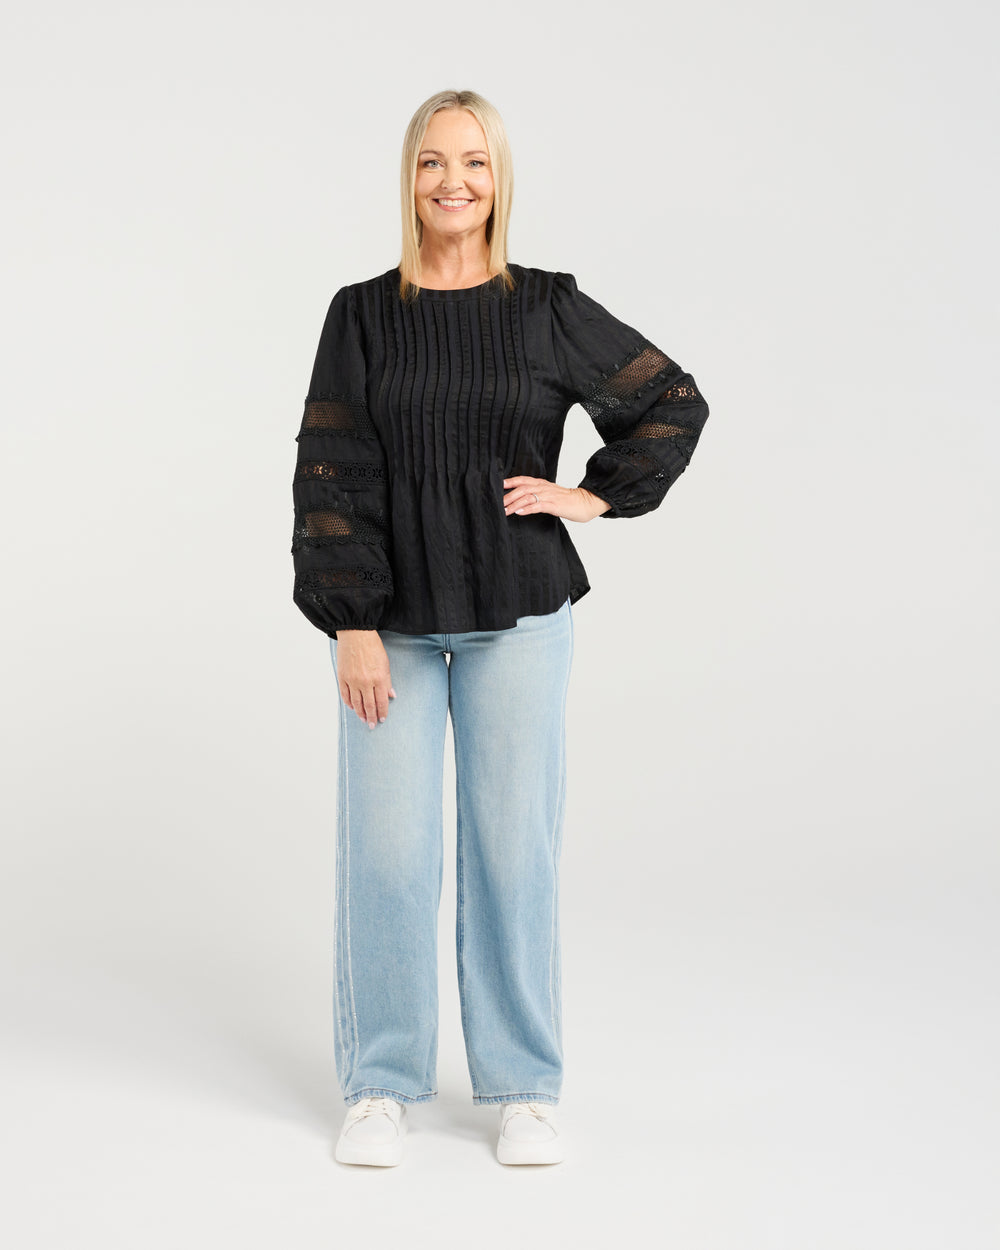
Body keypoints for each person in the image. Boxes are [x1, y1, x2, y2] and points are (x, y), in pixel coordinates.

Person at [290, 89, 710, 1167]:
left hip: (520, 609)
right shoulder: (361, 312)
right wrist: (350, 621)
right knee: (388, 856)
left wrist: (593, 495)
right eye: (433, 162)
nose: (453, 182)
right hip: (391, 621)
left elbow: (670, 400)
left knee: (513, 853)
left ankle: (523, 1087)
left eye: (473, 162)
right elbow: (332, 469)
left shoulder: (545, 307)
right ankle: (380, 1083)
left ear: (499, 179)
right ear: (409, 177)